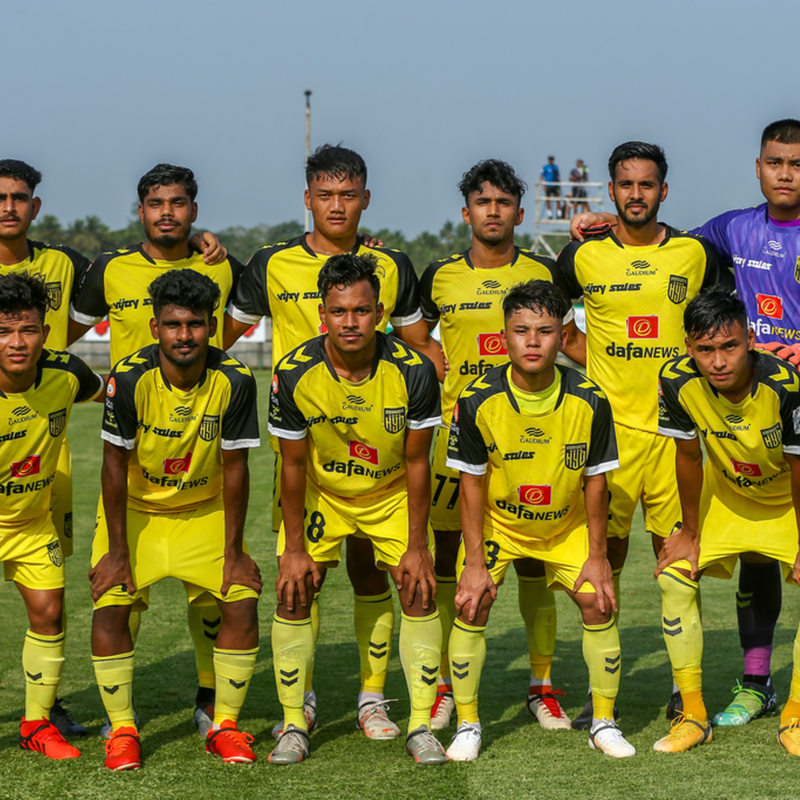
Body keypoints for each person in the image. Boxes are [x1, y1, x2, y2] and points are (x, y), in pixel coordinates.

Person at [570, 120, 800, 726]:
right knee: (754, 554)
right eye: (776, 162)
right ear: (758, 168)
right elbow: (653, 243)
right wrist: (608, 223)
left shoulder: (709, 244)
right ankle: (753, 684)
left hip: (781, 402)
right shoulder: (726, 232)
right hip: (726, 414)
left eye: (797, 163)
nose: (785, 173)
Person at [225, 144, 443, 740]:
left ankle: (373, 699)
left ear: (366, 199)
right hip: (305, 452)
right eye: (325, 195)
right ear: (308, 200)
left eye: (348, 195)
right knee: (302, 579)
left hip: (381, 448)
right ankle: (303, 702)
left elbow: (422, 345)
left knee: (373, 575)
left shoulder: (391, 264)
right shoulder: (270, 263)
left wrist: (439, 386)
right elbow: (219, 336)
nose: (337, 206)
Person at [557, 141, 731, 727]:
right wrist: (597, 366)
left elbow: (726, 321)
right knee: (601, 565)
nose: (637, 194)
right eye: (626, 185)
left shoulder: (694, 253)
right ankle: (600, 692)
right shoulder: (580, 256)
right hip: (609, 438)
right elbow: (552, 322)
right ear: (611, 191)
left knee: (677, 565)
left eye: (647, 184)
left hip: (675, 433)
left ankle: (686, 692)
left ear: (663, 191)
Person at [69, 163, 241, 736]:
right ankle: (119, 715)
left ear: (195, 210)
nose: (167, 212)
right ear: (141, 210)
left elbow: (300, 287)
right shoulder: (110, 269)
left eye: (178, 203)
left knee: (214, 597)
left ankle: (210, 696)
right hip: (132, 452)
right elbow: (58, 337)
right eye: (156, 203)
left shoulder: (221, 265)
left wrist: (362, 248)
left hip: (202, 453)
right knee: (118, 590)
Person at [419, 159, 586, 731]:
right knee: (450, 557)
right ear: (466, 212)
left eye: (504, 202)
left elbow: (575, 332)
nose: (493, 211)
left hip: (536, 436)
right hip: (459, 438)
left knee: (536, 558)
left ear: (519, 211)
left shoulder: (545, 269)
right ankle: (445, 687)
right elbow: (411, 330)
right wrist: (431, 360)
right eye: (482, 202)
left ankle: (542, 686)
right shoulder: (439, 275)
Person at [267, 253, 445, 765]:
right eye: (339, 311)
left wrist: (417, 545)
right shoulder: (293, 372)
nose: (351, 322)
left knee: (418, 588)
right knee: (295, 590)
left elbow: (417, 462)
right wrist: (294, 548)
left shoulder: (413, 371)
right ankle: (294, 723)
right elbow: (292, 465)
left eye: (362, 311)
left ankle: (417, 724)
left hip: (390, 493)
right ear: (322, 314)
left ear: (380, 313)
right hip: (324, 494)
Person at [445, 279, 633, 760]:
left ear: (563, 335)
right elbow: (471, 484)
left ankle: (604, 722)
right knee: (471, 604)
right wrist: (473, 562)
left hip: (565, 527)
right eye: (521, 330)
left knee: (599, 602)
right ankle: (467, 725)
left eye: (545, 331)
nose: (533, 342)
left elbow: (597, 483)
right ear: (503, 336)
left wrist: (598, 556)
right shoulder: (476, 399)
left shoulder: (590, 398)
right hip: (501, 526)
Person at [90, 269, 261, 770]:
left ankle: (223, 725)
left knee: (241, 600)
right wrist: (117, 552)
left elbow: (236, 467)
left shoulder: (235, 379)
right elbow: (113, 465)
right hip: (136, 511)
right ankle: (122, 730)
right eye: (173, 324)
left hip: (203, 509)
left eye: (195, 324)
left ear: (211, 326)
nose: (184, 335)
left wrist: (234, 551)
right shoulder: (129, 378)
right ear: (155, 327)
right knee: (110, 605)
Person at [655, 289, 800, 753]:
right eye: (705, 349)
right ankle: (693, 715)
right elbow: (687, 454)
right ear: (688, 347)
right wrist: (689, 532)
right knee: (674, 576)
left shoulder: (787, 386)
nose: (718, 362)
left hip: (790, 502)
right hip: (730, 496)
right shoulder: (676, 380)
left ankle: (796, 715)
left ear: (750, 340)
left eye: (729, 346)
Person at [0, 272, 103, 759]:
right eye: (4, 332)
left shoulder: (68, 373)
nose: (17, 343)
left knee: (49, 613)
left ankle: (36, 725)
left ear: (44, 332)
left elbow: (118, 392)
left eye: (28, 330)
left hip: (31, 522)